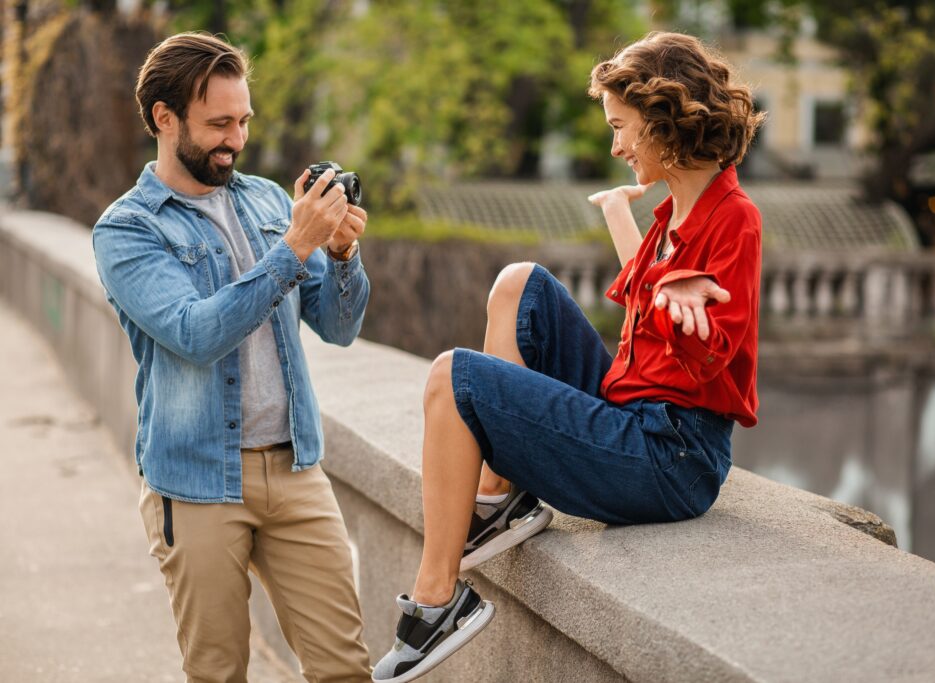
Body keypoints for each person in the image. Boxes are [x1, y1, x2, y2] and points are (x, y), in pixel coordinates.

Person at [371, 31, 766, 682]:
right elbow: (642, 302)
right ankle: (499, 499)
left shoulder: (736, 219)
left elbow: (709, 358)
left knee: (452, 377)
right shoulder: (671, 215)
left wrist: (672, 291)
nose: (615, 146)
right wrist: (650, 260)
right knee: (518, 282)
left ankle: (436, 599)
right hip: (632, 412)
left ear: (664, 124)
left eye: (622, 128)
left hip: (672, 456)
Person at [92, 32, 373, 682]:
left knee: (346, 669)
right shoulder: (128, 228)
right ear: (165, 118)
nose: (236, 138)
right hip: (196, 484)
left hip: (296, 468)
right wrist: (294, 246)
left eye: (243, 120)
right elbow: (195, 331)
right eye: (219, 123)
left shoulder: (269, 200)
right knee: (218, 671)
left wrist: (339, 255)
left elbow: (337, 327)